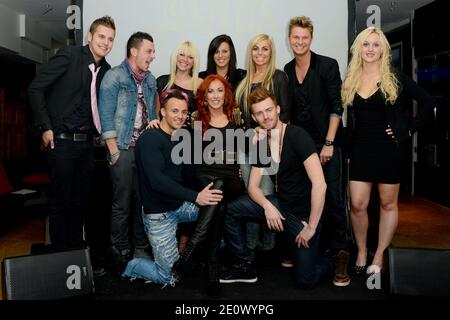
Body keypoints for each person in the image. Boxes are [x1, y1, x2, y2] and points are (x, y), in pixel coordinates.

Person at [221, 87, 333, 289]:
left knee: (305, 280)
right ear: (254, 117)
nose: (266, 116)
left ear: (278, 109)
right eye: (260, 113)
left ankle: (332, 258)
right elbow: (253, 187)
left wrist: (311, 227)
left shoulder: (298, 136)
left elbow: (320, 185)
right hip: (281, 205)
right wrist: (267, 206)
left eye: (269, 110)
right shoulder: (262, 142)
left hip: (304, 215)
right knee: (231, 209)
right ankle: (244, 262)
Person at [342, 27, 433, 276]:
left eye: (376, 44)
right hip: (360, 149)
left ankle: (380, 253)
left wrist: (408, 131)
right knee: (358, 204)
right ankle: (362, 250)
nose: (370, 49)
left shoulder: (395, 77)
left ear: (383, 49)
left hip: (388, 150)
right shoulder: (351, 78)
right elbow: (351, 121)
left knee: (387, 204)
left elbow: (428, 102)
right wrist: (348, 149)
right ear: (358, 49)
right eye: (365, 44)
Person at [28, 16, 116, 251]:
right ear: (89, 36)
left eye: (110, 39)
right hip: (61, 142)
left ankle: (75, 258)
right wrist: (45, 127)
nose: (105, 43)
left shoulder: (106, 70)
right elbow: (35, 88)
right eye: (101, 36)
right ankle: (59, 257)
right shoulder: (70, 55)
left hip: (87, 146)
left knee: (80, 204)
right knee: (61, 203)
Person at [121, 89, 223, 286]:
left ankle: (197, 253)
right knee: (169, 277)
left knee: (218, 203)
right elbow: (157, 181)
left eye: (184, 112)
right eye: (174, 111)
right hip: (159, 214)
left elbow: (188, 175)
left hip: (181, 205)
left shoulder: (181, 139)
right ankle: (129, 265)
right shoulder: (149, 138)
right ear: (163, 112)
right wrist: (196, 197)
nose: (180, 116)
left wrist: (211, 182)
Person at [283, 16, 351, 286]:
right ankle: (315, 246)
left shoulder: (327, 65)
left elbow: (337, 106)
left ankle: (341, 250)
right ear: (289, 40)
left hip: (328, 143)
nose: (300, 42)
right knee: (307, 196)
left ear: (311, 39)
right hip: (303, 147)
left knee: (333, 197)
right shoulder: (287, 70)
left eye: (305, 37)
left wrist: (329, 143)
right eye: (295, 37)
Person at [172, 74, 245, 298]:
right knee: (217, 202)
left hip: (231, 179)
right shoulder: (196, 121)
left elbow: (243, 153)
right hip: (204, 177)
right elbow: (192, 160)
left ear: (226, 94)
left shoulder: (237, 120)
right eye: (210, 91)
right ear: (203, 97)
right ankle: (212, 270)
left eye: (219, 90)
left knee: (219, 187)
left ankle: (192, 248)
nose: (215, 96)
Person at [98, 32, 157, 272]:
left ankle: (140, 247)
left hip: (144, 152)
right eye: (149, 51)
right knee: (121, 203)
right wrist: (113, 151)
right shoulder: (114, 76)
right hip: (122, 149)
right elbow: (106, 115)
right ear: (134, 51)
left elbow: (152, 114)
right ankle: (120, 250)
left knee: (142, 201)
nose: (153, 56)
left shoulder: (151, 79)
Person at [235, 33, 291, 257]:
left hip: (267, 147)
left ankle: (269, 245)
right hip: (246, 147)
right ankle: (251, 243)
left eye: (265, 49)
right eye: (256, 48)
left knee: (265, 194)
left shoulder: (278, 77)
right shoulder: (244, 80)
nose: (260, 53)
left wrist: (268, 136)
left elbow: (285, 114)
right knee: (251, 194)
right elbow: (240, 120)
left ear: (271, 52)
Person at [156, 41, 203, 127]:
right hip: (165, 134)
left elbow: (203, 117)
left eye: (190, 57)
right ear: (175, 57)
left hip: (190, 135)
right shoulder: (162, 81)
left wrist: (197, 138)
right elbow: (157, 114)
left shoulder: (200, 84)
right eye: (181, 55)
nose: (185, 59)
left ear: (194, 62)